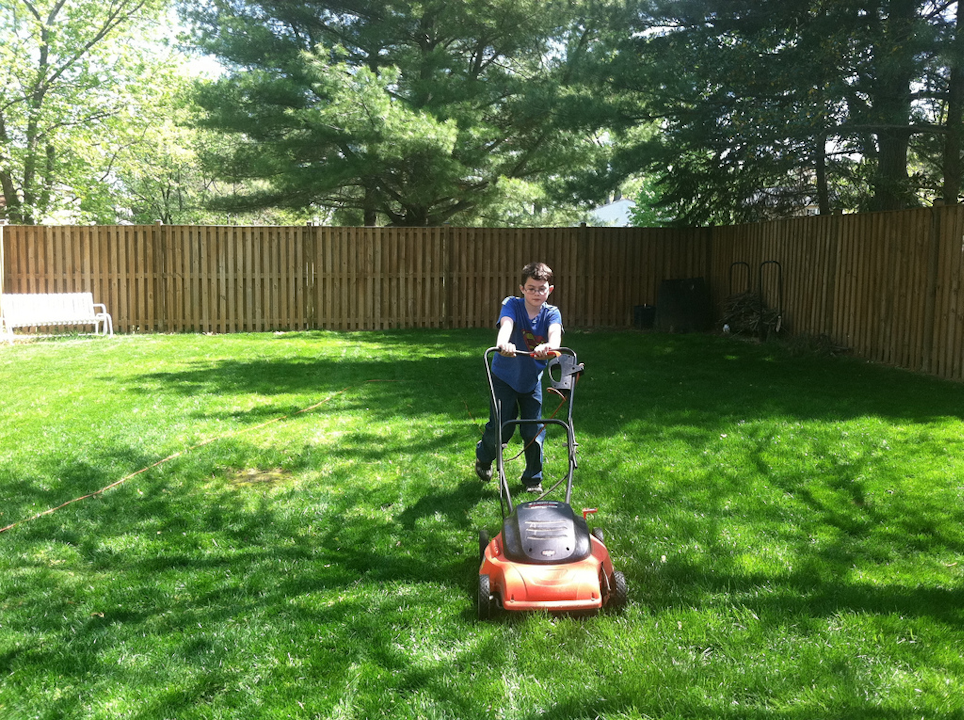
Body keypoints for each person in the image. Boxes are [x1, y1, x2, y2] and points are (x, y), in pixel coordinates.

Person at [475, 261, 563, 493]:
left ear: (550, 290)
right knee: (501, 428)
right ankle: (484, 457)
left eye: (541, 289)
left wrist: (549, 347)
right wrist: (503, 343)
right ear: (522, 288)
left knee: (533, 430)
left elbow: (555, 335)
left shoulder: (551, 313)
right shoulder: (511, 304)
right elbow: (506, 325)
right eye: (531, 288)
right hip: (504, 377)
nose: (536, 293)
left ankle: (533, 479)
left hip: (531, 380)